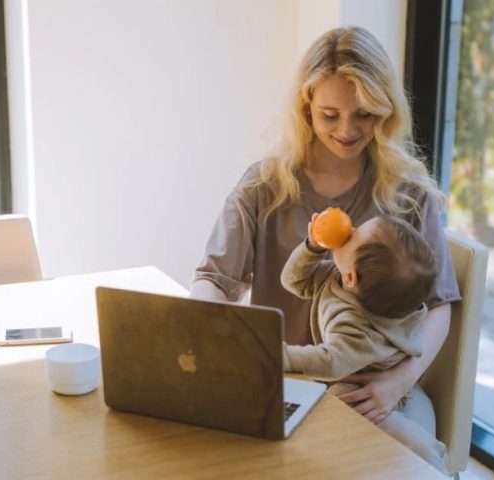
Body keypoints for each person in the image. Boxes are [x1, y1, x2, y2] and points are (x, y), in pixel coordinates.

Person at [191, 24, 459, 468]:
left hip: (375, 389)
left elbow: (440, 306)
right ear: (306, 106)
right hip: (283, 382)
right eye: (330, 114)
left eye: (364, 114)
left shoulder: (408, 193)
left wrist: (397, 382)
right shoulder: (266, 185)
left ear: (386, 110)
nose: (347, 131)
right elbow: (213, 280)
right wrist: (216, 337)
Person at [281, 213, 448, 472]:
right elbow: (293, 280)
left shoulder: (358, 331)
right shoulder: (341, 278)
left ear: (351, 279)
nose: (349, 229)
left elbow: (330, 360)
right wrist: (312, 247)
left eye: (354, 235)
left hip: (359, 389)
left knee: (344, 410)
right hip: (370, 375)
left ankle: (431, 460)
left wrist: (277, 355)